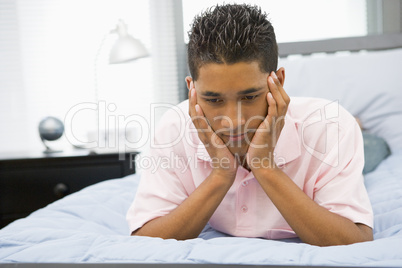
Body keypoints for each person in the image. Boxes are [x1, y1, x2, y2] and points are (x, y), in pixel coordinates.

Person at [126, 3, 373, 246]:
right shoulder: (173, 127)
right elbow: (145, 238)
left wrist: (265, 167)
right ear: (192, 89)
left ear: (278, 80)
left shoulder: (334, 126)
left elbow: (356, 239)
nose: (234, 121)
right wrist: (222, 174)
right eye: (213, 99)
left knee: (371, 150)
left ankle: (365, 130)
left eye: (250, 97)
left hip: (335, 137)